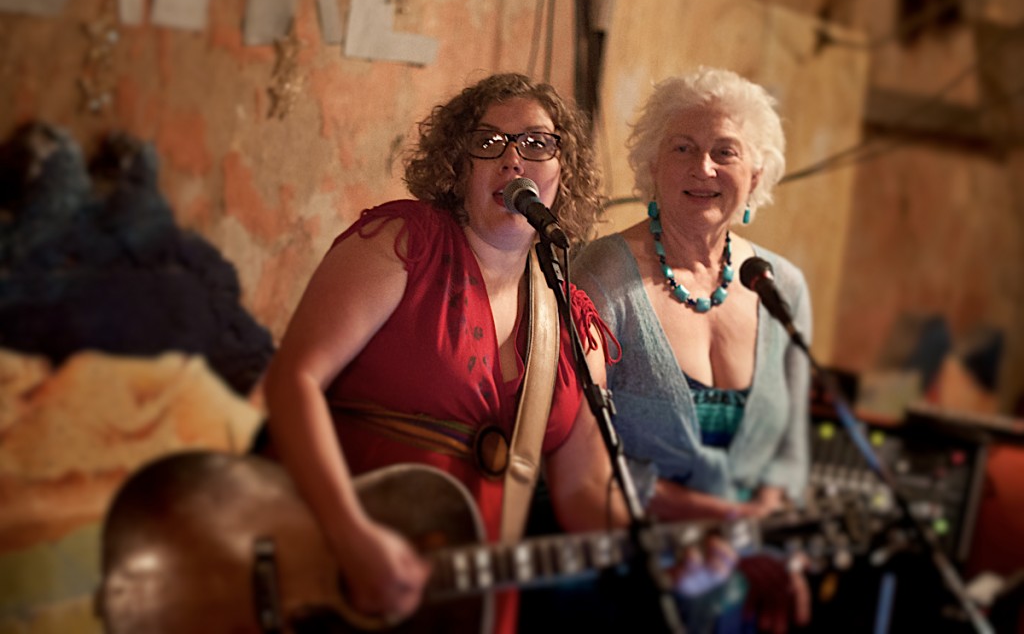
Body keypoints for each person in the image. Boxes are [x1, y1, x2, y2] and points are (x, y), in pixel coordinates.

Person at [261, 72, 731, 634]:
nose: (514, 161)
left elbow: (584, 491)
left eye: (537, 144)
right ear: (460, 168)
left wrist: (663, 551)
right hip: (318, 571)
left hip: (469, 607)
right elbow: (295, 380)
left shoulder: (576, 322)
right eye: (489, 143)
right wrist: (350, 534)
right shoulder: (404, 243)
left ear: (563, 172)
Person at [571, 67, 813, 633]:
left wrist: (775, 546)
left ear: (755, 175)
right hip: (628, 575)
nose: (703, 167)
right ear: (653, 168)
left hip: (746, 577)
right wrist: (727, 517)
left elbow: (788, 451)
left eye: (724, 152)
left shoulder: (781, 285)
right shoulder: (601, 277)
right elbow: (578, 458)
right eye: (683, 147)